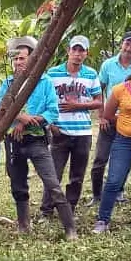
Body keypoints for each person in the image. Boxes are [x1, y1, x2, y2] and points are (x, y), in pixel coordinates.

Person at [0, 37, 76, 239]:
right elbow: (0, 107)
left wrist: (26, 122)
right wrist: (19, 116)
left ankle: (70, 228)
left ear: (33, 59)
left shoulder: (45, 82)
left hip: (37, 140)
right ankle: (24, 224)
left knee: (52, 183)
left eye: (22, 58)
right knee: (18, 183)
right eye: (15, 59)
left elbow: (52, 112)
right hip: (13, 142)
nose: (18, 62)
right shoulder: (8, 83)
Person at [41, 35, 102, 215]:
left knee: (77, 175)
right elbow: (44, 102)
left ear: (86, 54)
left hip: (83, 132)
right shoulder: (53, 74)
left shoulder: (91, 74)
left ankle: (70, 208)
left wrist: (78, 105)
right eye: (74, 50)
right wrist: (50, 125)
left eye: (81, 50)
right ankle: (47, 210)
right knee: (54, 174)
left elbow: (98, 101)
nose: (77, 54)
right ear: (68, 51)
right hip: (60, 131)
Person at [94, 56, 131, 232]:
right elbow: (108, 114)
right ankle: (103, 220)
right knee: (113, 180)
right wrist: (125, 121)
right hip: (123, 140)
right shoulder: (119, 90)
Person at [88, 31, 131, 206]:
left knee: (123, 159)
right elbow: (99, 90)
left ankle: (118, 191)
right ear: (122, 44)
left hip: (129, 120)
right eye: (128, 43)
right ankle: (96, 194)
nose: (129, 46)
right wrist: (102, 116)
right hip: (110, 120)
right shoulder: (108, 65)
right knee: (100, 159)